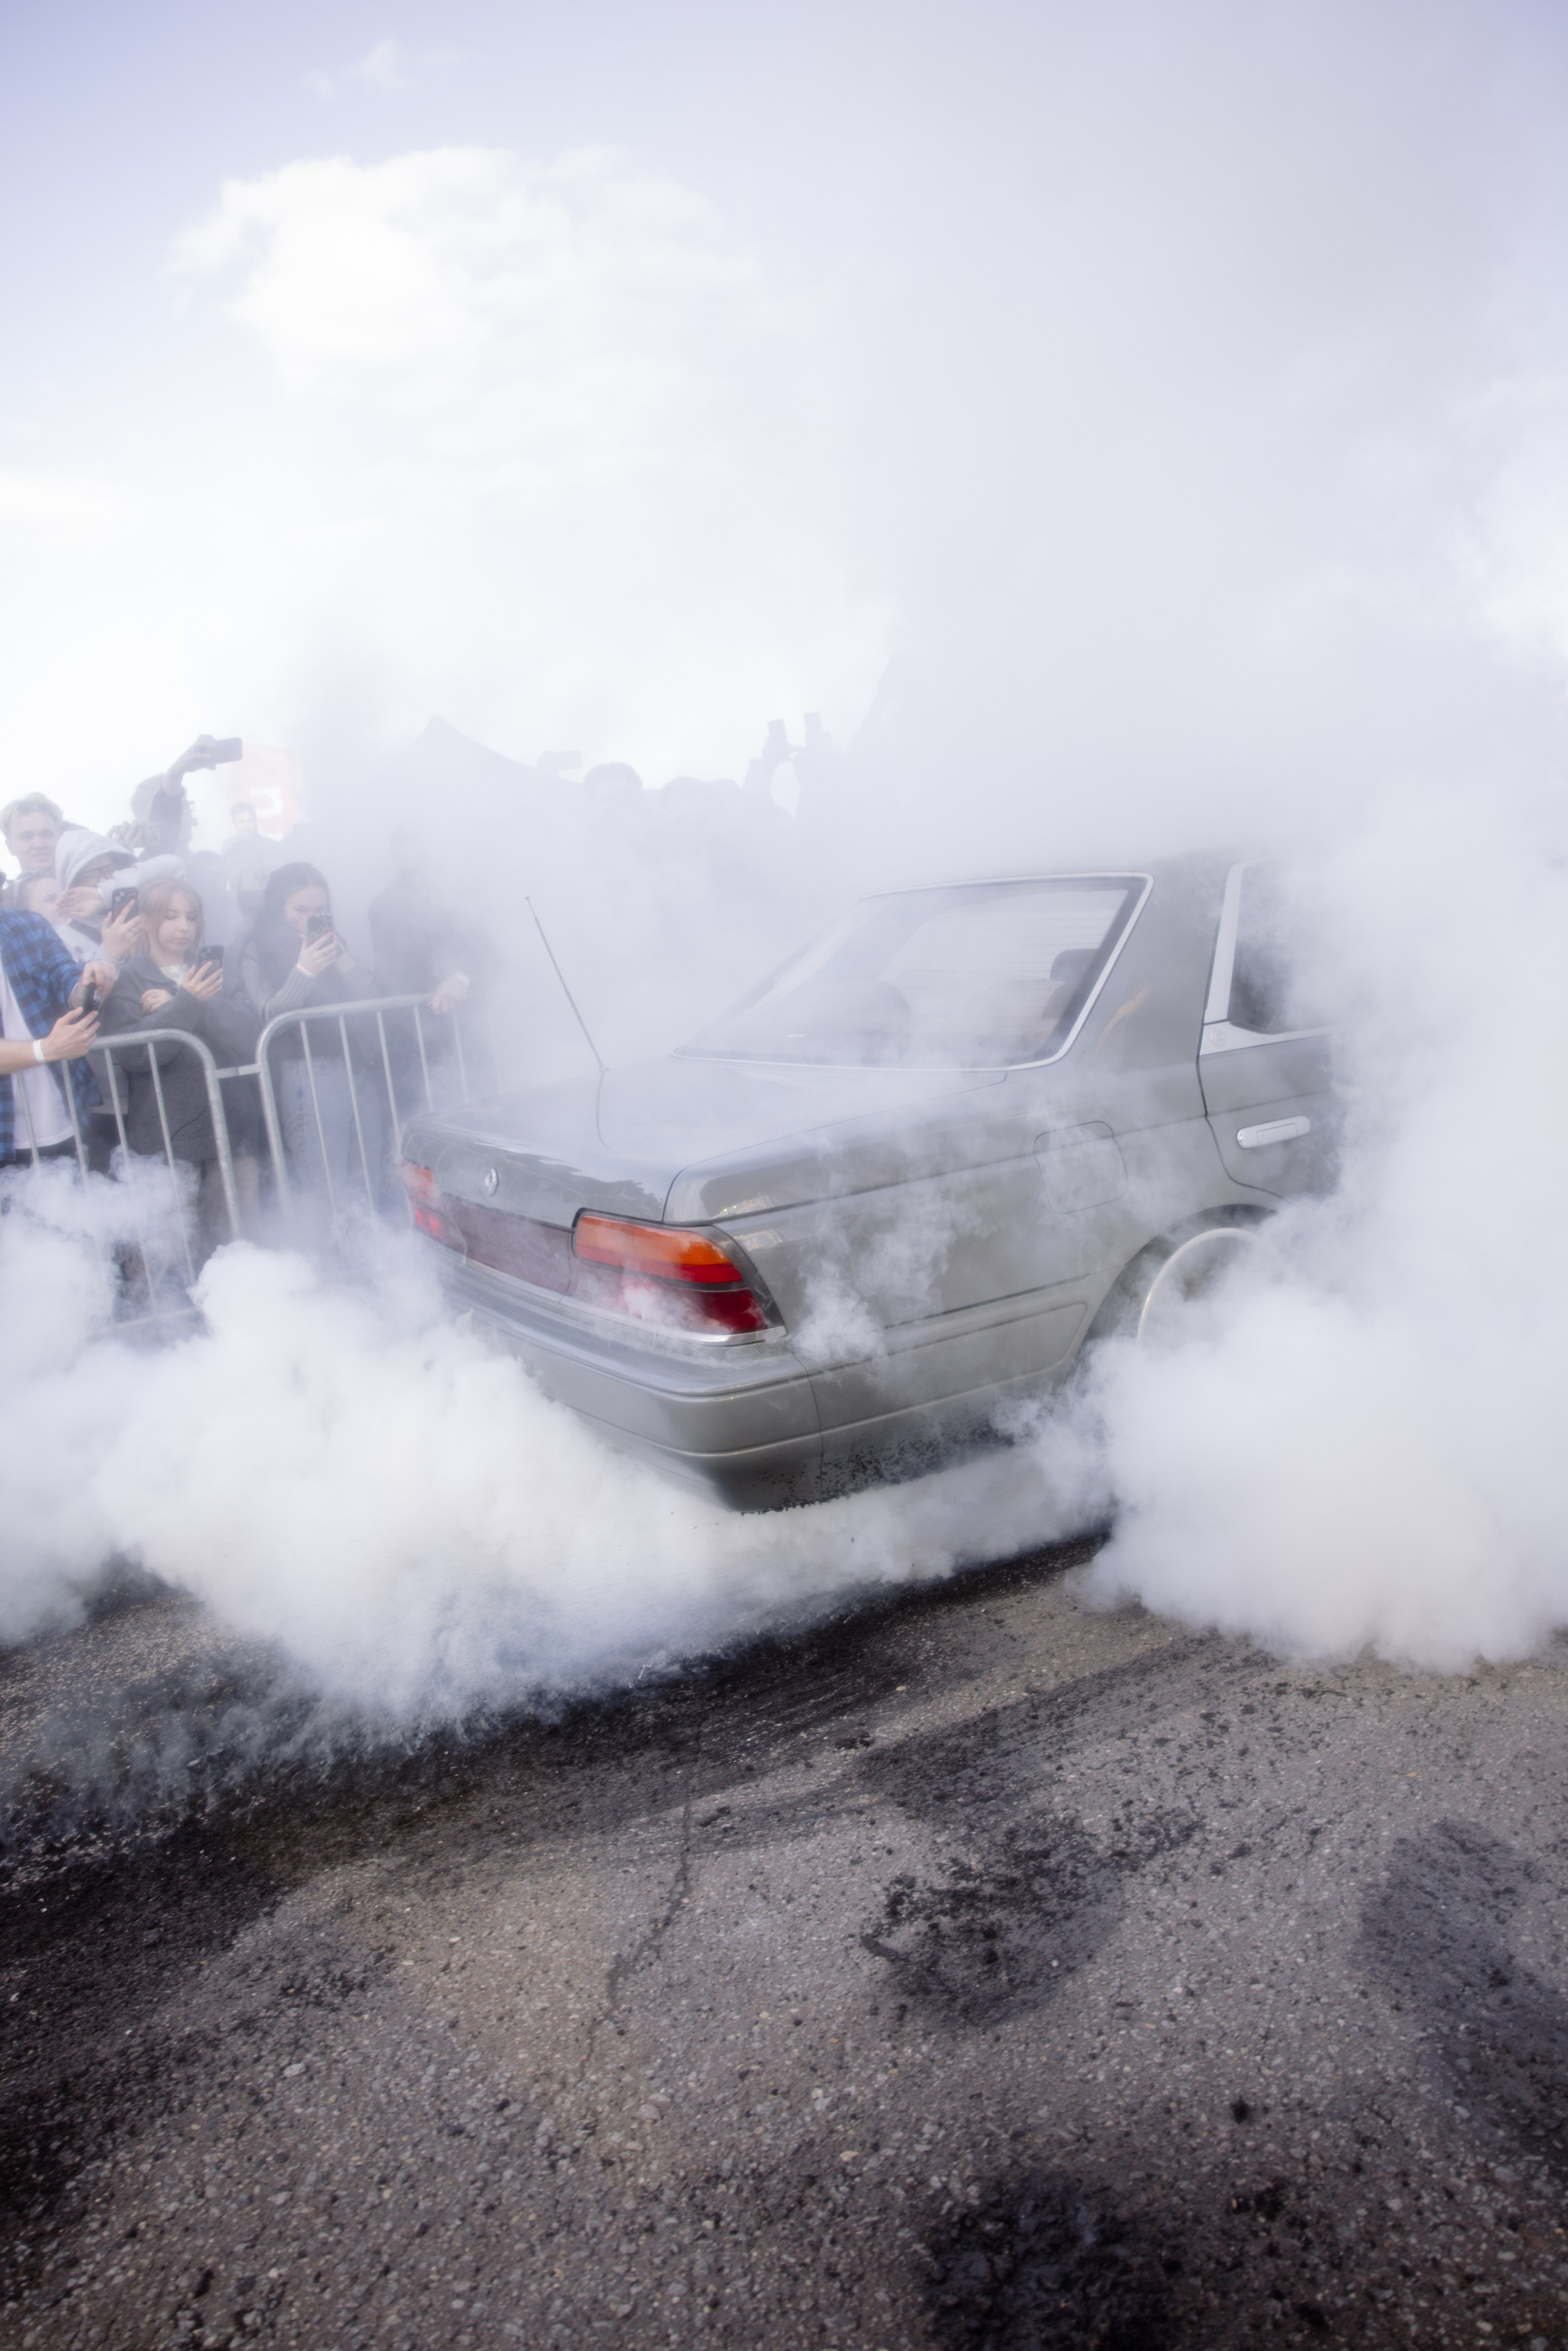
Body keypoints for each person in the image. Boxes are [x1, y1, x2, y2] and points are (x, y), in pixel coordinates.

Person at [99, 882, 262, 1261]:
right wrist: (187, 1004)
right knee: (165, 1244)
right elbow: (137, 1054)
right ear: (147, 921)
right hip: (165, 1130)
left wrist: (187, 1004)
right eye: (170, 916)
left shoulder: (215, 970)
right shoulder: (127, 978)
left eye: (191, 917)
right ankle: (161, 1318)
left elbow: (249, 1031)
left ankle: (237, 1313)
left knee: (235, 1233)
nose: (183, 926)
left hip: (231, 1120)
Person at [238, 862, 385, 1237]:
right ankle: (327, 1275)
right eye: (300, 910)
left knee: (365, 1181)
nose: (310, 918)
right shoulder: (258, 949)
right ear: (278, 907)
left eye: (320, 910)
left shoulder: (332, 943)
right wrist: (304, 970)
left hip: (358, 1067)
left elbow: (370, 996)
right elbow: (268, 1013)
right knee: (324, 1191)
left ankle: (370, 1271)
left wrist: (339, 955)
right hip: (308, 1073)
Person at [367, 829, 495, 1114]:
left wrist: (462, 977)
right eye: (401, 848)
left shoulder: (459, 899)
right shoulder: (385, 908)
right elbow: (403, 973)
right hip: (413, 1039)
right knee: (423, 1123)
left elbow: (487, 951)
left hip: (464, 1036)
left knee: (478, 1117)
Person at [0, 902, 111, 1170]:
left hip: (67, 1117)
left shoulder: (27, 924)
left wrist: (89, 983)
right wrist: (46, 1050)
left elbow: (65, 977)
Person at [53, 828, 162, 968]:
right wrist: (109, 953)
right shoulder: (63, 939)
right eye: (89, 876)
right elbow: (77, 989)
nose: (103, 880)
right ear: (72, 883)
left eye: (109, 871)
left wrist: (103, 894)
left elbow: (176, 867)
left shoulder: (143, 905)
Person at [1, 794, 66, 910]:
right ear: (10, 847)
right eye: (27, 837)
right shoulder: (3, 906)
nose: (39, 845)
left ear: (60, 837)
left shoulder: (90, 888)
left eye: (46, 835)